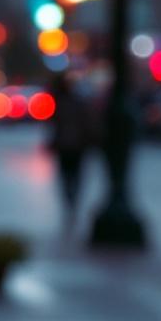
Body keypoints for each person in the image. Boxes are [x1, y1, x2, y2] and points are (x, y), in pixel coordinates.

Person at [48, 75, 92, 236]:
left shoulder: (64, 104)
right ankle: (71, 200)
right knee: (72, 175)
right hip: (72, 146)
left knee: (69, 175)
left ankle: (71, 200)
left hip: (72, 146)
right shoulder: (70, 103)